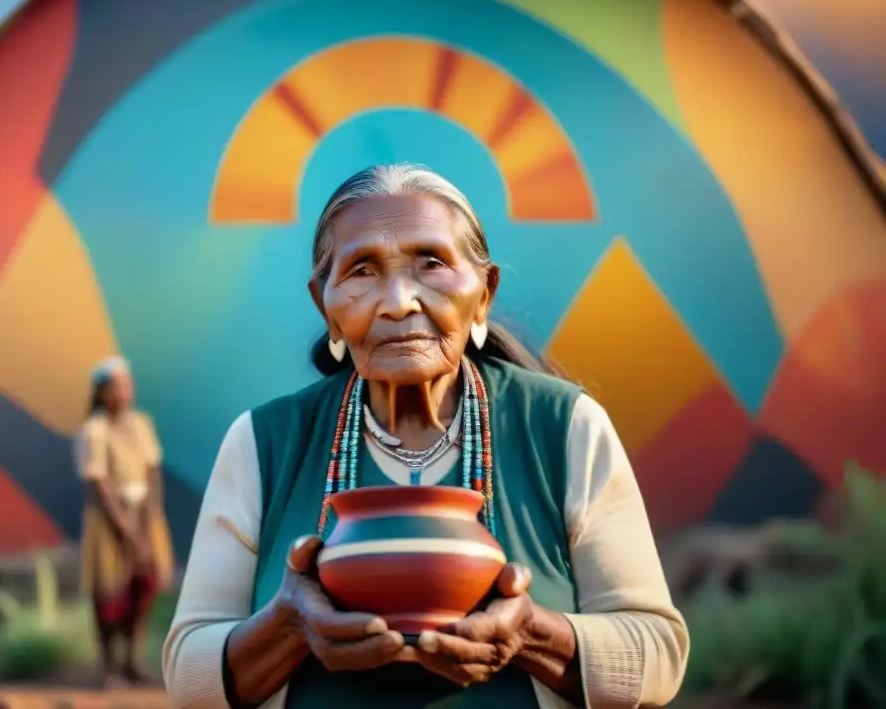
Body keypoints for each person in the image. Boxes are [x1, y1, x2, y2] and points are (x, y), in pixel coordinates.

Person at [164, 165, 689, 708]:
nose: (397, 301)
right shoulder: (263, 443)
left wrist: (530, 635)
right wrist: (288, 629)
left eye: (431, 263)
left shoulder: (564, 428)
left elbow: (657, 654)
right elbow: (187, 674)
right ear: (327, 308)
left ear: (483, 295)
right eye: (362, 271)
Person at [75, 356, 174, 686]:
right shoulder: (94, 431)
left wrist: (150, 519)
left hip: (144, 517)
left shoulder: (141, 424)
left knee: (142, 589)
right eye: (118, 386)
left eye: (128, 384)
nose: (126, 391)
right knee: (109, 595)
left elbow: (152, 471)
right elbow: (99, 484)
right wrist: (126, 530)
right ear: (103, 393)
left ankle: (133, 660)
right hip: (109, 522)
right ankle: (109, 666)